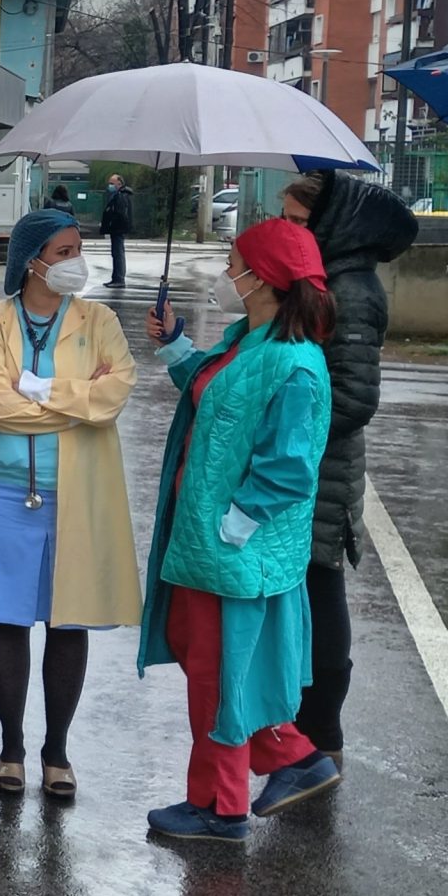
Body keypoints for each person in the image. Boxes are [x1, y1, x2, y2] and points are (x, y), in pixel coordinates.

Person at [137, 219, 341, 843]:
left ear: (262, 279)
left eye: (234, 264)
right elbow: (212, 393)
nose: (228, 274)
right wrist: (175, 345)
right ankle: (293, 758)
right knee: (217, 667)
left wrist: (234, 525)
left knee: (218, 677)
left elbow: (289, 469)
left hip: (232, 551)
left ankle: (222, 805)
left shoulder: (296, 365)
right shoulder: (249, 342)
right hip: (208, 545)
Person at [0, 210, 141, 798]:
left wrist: (37, 389)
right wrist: (77, 400)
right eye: (63, 252)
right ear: (32, 259)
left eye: (77, 250)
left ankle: (56, 750)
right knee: (8, 618)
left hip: (77, 495)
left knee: (69, 619)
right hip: (7, 492)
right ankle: (11, 747)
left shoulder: (98, 319)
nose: (74, 262)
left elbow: (118, 391)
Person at [280, 170, 415, 771]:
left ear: (329, 224)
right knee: (304, 587)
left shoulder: (351, 288)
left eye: (296, 220)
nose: (286, 229)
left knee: (319, 584)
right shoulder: (317, 279)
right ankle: (302, 723)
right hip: (303, 462)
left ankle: (323, 730)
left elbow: (355, 398)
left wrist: (284, 423)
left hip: (321, 467)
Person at [102, 173, 135, 290]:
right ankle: (116, 278)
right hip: (117, 228)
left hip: (117, 229)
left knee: (118, 253)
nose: (109, 186)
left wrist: (111, 222)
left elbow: (120, 214)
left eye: (112, 183)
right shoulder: (120, 195)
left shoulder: (120, 196)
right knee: (117, 253)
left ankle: (119, 279)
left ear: (119, 184)